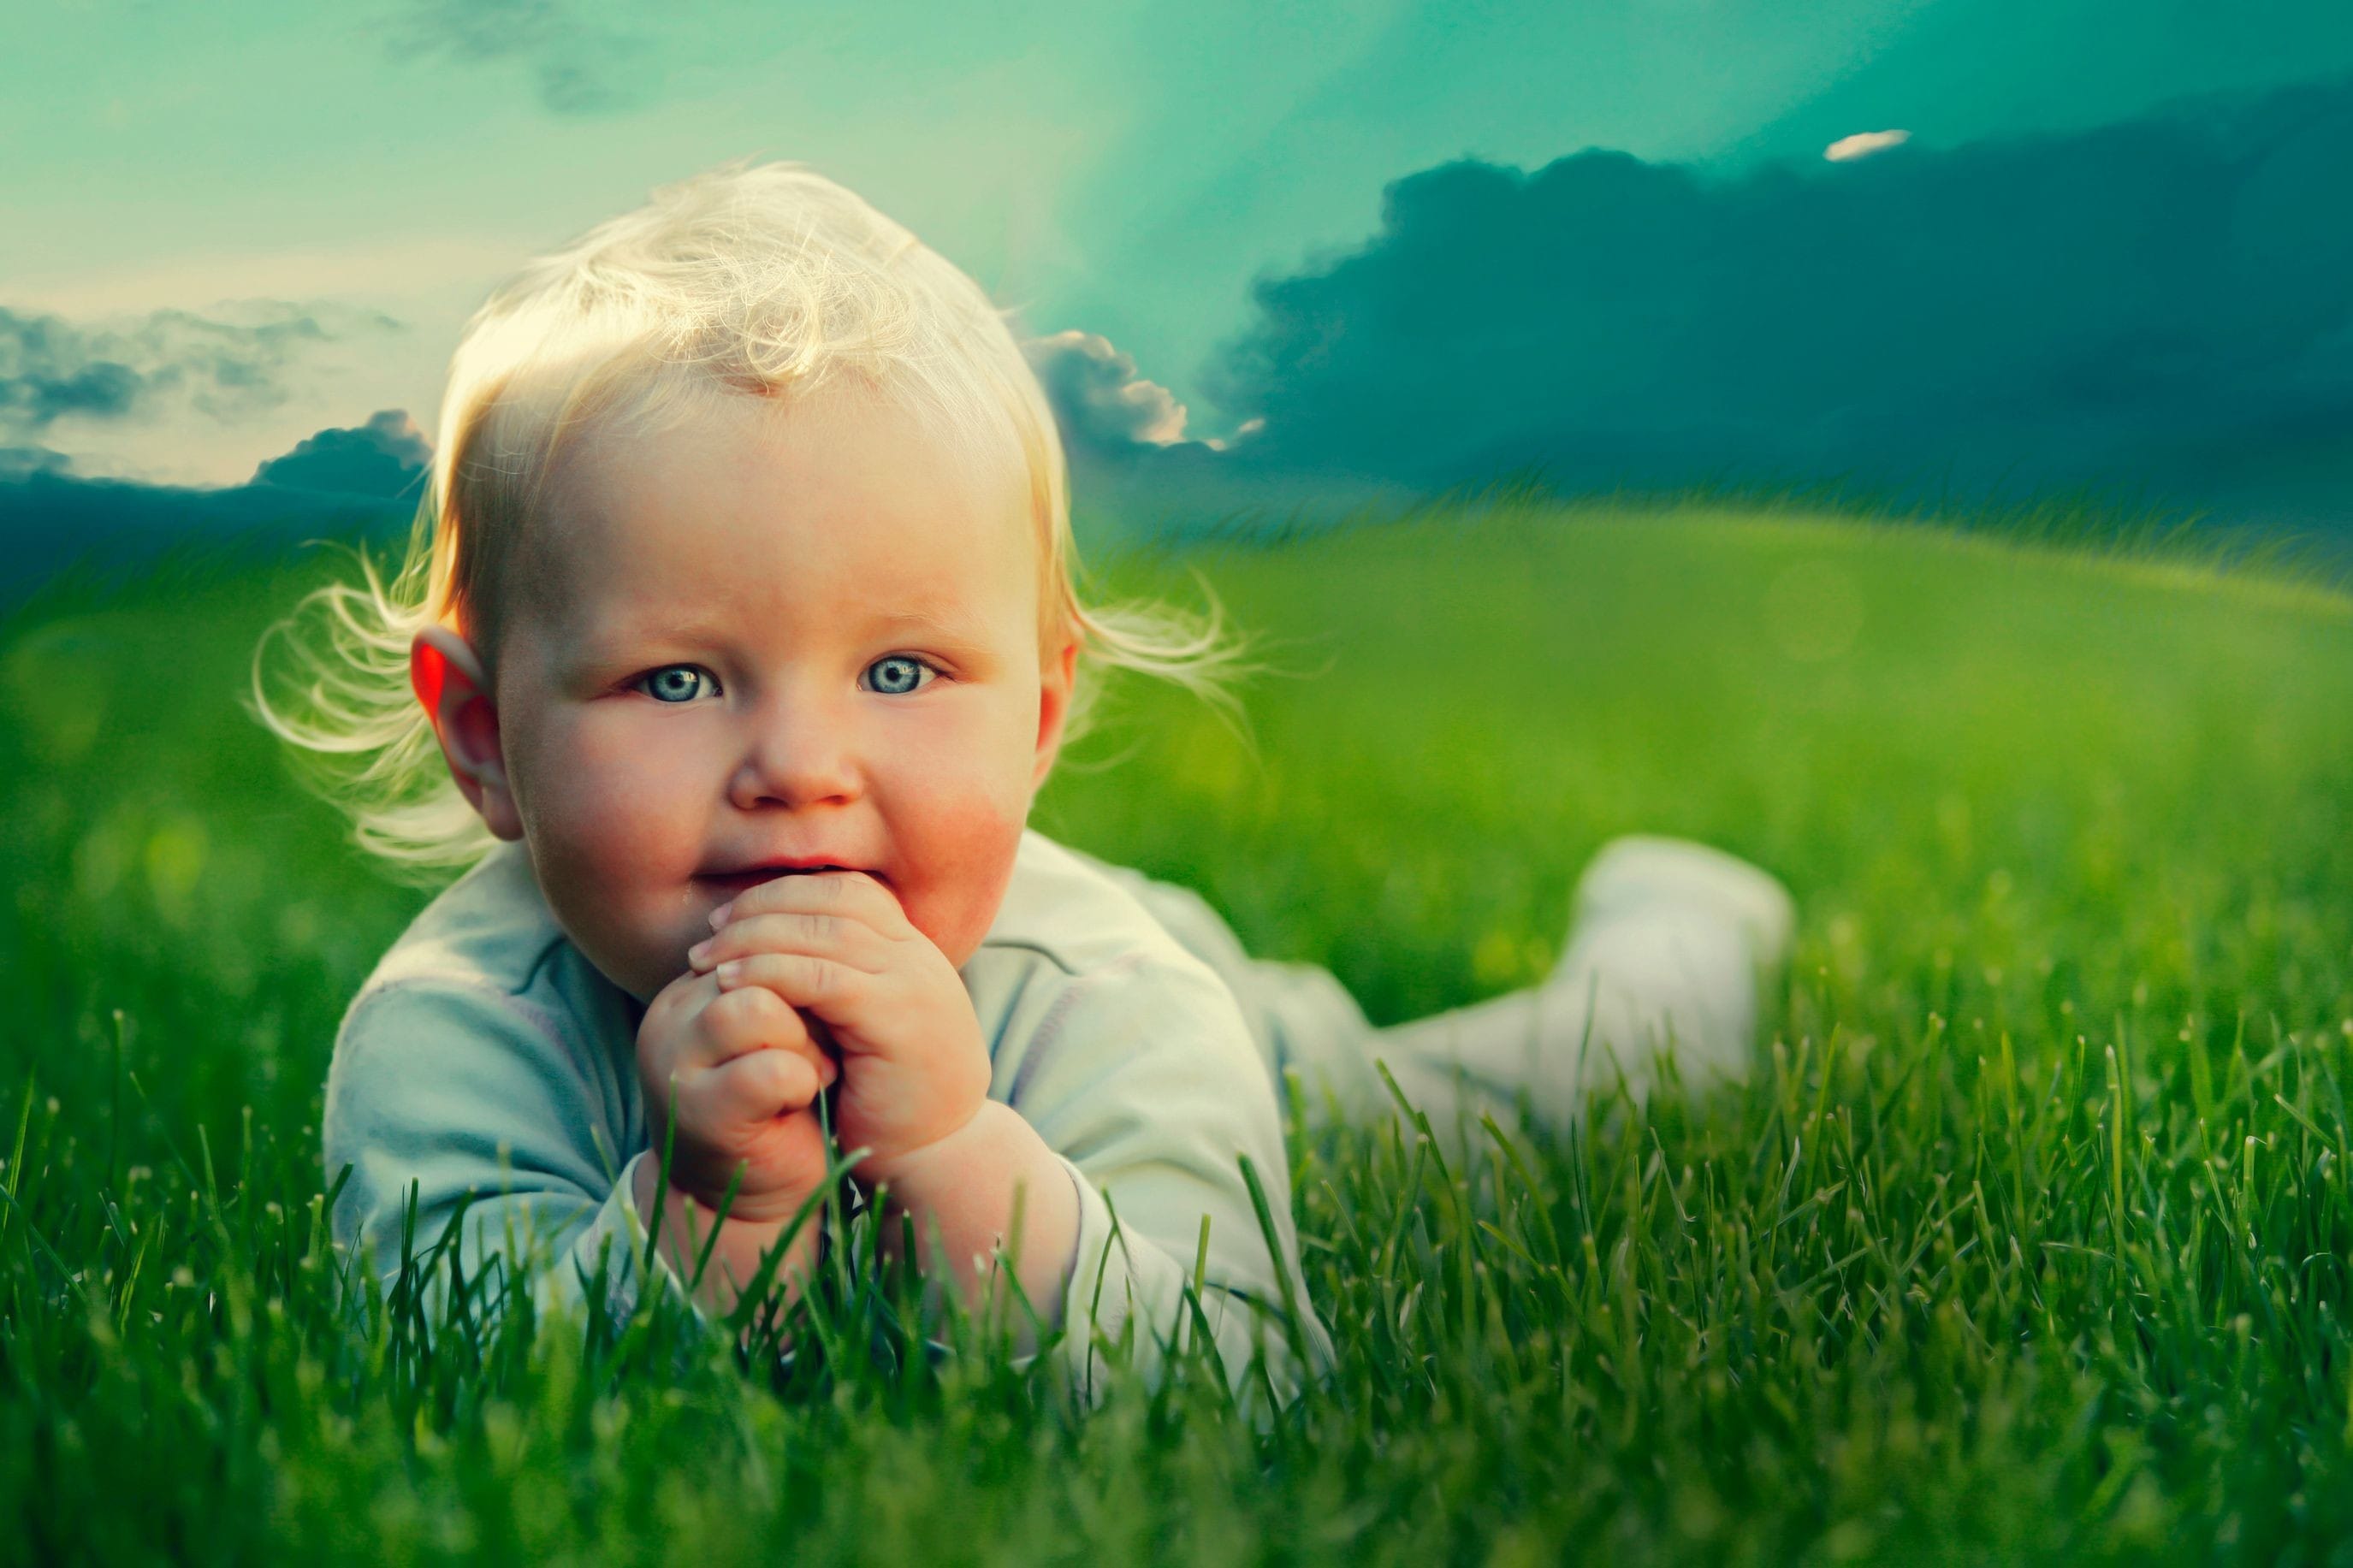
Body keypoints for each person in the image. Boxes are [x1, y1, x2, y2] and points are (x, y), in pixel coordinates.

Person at [253, 160, 1793, 1400]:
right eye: (677, 679)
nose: (799, 768)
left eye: (902, 672)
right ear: (478, 732)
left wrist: (954, 1159)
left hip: (1224, 1037)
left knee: (1496, 1101)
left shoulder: (1110, 991)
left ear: (1042, 708)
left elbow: (1234, 1380)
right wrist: (701, 1215)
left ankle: (1674, 959)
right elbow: (457, 1397)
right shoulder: (462, 1034)